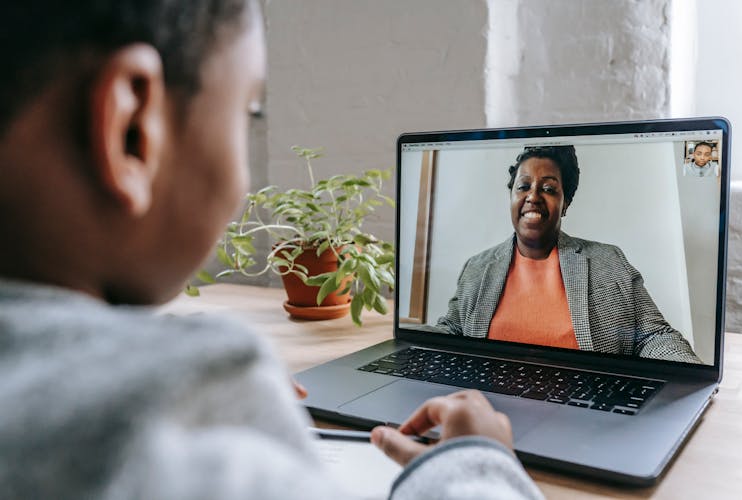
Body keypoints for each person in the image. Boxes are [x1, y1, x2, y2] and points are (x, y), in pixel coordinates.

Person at [0, 1, 543, 499]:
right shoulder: (177, 415)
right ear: (131, 131)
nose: (534, 199)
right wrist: (479, 462)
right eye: (245, 109)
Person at [437, 146, 702, 364]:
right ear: (511, 197)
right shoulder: (478, 267)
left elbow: (653, 337)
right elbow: (450, 330)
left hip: (585, 413)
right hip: (487, 411)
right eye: (523, 186)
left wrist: (690, 377)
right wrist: (402, 346)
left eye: (549, 189)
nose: (533, 196)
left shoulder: (608, 261)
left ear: (565, 205)